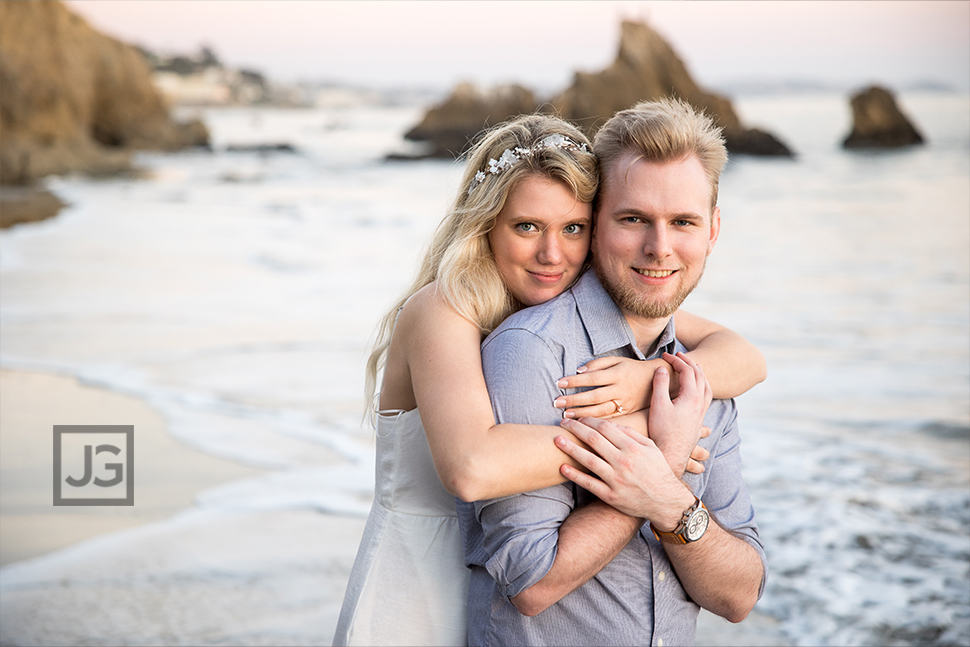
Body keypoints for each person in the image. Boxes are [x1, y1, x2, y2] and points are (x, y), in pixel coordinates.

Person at [333, 113, 766, 646]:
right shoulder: (444, 309)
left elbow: (743, 355)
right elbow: (472, 468)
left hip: (479, 574)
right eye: (526, 226)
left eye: (573, 228)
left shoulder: (577, 293)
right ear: (485, 224)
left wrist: (653, 376)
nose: (552, 253)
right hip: (419, 576)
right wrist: (656, 434)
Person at [457, 98, 767, 646]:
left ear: (713, 230)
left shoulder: (703, 375)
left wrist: (668, 502)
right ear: (595, 222)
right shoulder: (533, 352)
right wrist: (661, 466)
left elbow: (738, 596)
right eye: (634, 219)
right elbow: (531, 583)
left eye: (684, 222)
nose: (660, 247)